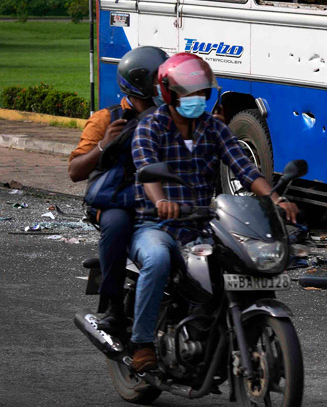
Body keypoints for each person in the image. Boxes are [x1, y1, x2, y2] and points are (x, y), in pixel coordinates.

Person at [129, 52, 298, 372]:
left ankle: (229, 338)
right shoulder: (150, 127)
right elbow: (148, 170)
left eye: (202, 92)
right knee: (159, 259)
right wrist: (161, 201)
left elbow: (246, 169)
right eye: (189, 92)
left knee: (242, 262)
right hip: (155, 224)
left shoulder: (213, 128)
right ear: (169, 93)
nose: (197, 99)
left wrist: (275, 199)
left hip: (202, 223)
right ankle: (142, 343)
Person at [69, 46, 169, 334]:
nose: (163, 86)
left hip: (161, 198)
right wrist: (104, 145)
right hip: (117, 201)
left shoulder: (168, 117)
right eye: (157, 81)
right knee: (116, 224)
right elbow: (75, 171)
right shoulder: (106, 118)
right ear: (140, 83)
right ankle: (113, 307)